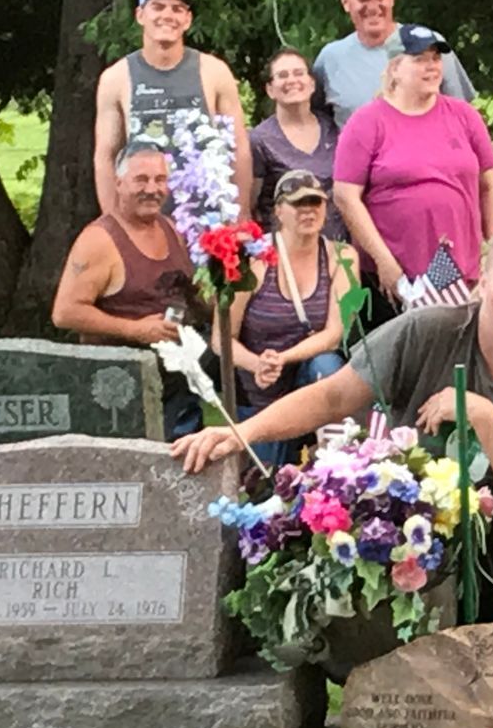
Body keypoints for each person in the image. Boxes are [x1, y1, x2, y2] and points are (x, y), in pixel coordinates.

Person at [173, 220, 493, 709]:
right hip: (421, 533)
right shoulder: (427, 330)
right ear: (483, 277)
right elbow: (333, 395)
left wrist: (480, 414)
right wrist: (241, 432)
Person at [331, 23, 493, 320]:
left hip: (463, 270)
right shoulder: (367, 122)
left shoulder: (464, 116)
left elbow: (489, 184)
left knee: (460, 358)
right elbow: (346, 196)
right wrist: (383, 260)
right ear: (395, 68)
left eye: (436, 59)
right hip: (397, 276)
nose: (431, 67)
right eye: (420, 59)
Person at [52, 143, 201, 436]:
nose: (152, 189)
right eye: (141, 179)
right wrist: (135, 330)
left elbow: (191, 294)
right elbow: (65, 313)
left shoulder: (171, 228)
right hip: (120, 391)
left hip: (178, 381)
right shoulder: (99, 240)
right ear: (118, 183)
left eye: (160, 180)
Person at [223, 170, 354, 465]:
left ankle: (338, 464)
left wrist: (283, 357)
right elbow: (222, 338)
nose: (308, 210)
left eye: (315, 202)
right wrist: (257, 363)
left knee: (328, 364)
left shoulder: (343, 257)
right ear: (279, 210)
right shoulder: (253, 258)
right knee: (264, 484)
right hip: (260, 386)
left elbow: (335, 333)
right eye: (298, 203)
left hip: (309, 375)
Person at [93, 0, 251, 216]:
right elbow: (105, 155)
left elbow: (239, 148)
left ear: (187, 20)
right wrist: (111, 220)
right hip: (142, 218)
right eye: (157, 7)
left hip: (206, 221)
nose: (167, 16)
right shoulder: (116, 78)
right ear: (140, 15)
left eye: (177, 9)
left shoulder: (214, 71)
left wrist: (241, 215)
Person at [311, 0, 476, 126]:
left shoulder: (430, 44)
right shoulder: (330, 59)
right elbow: (313, 121)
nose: (373, 7)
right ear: (346, 3)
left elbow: (463, 115)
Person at [248, 48, 343, 238]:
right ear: (270, 89)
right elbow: (250, 203)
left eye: (299, 73)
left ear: (312, 84)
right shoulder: (259, 140)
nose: (292, 80)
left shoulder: (334, 129)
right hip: (285, 251)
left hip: (337, 250)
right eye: (282, 75)